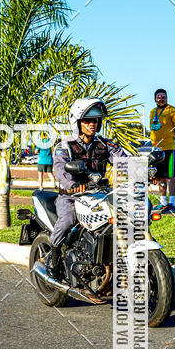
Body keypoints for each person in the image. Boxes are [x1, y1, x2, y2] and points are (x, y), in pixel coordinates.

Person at [47, 98, 126, 279]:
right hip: (71, 196)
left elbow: (124, 160)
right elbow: (59, 168)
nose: (92, 124)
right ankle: (55, 255)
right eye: (88, 120)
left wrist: (147, 171)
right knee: (68, 219)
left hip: (100, 195)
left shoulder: (105, 145)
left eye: (95, 121)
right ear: (77, 122)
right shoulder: (65, 146)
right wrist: (72, 184)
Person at [149, 88, 175, 213]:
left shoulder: (172, 110)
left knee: (170, 176)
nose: (161, 99)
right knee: (160, 177)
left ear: (166, 98)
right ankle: (163, 202)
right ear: (155, 99)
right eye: (158, 97)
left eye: (163, 97)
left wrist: (173, 138)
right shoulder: (152, 112)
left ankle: (172, 203)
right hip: (157, 150)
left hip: (169, 148)